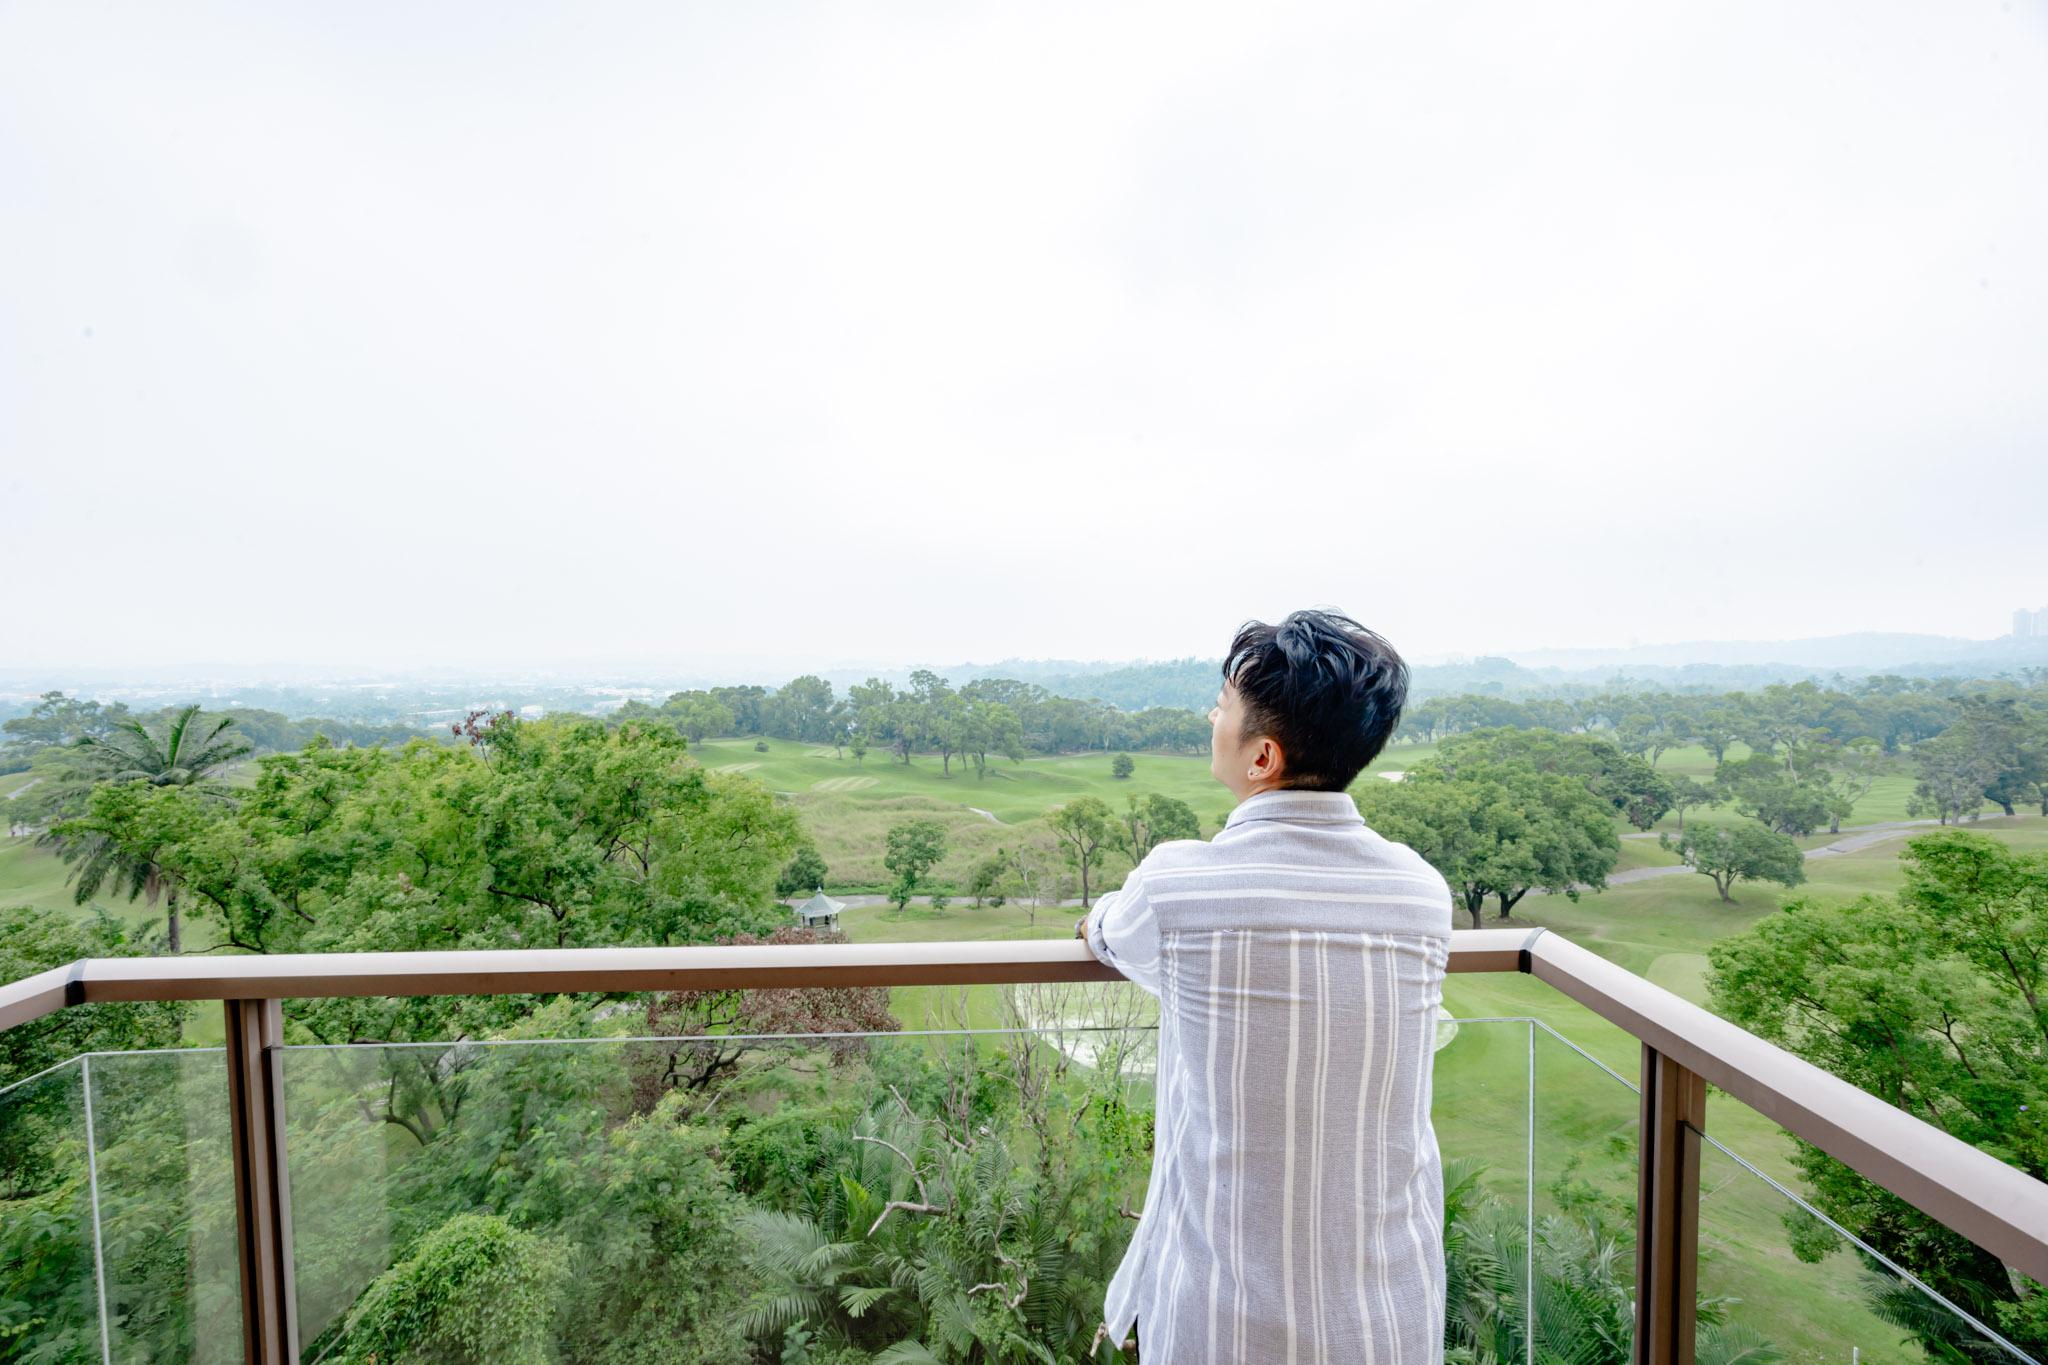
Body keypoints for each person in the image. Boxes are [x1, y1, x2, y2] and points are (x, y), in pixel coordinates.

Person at [1075, 608, 1451, 1364]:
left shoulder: (1179, 884)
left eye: (1223, 705)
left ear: (1263, 756)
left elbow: (1108, 932)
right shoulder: (1420, 892)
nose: (1211, 716)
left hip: (1219, 1321)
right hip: (1387, 1314)